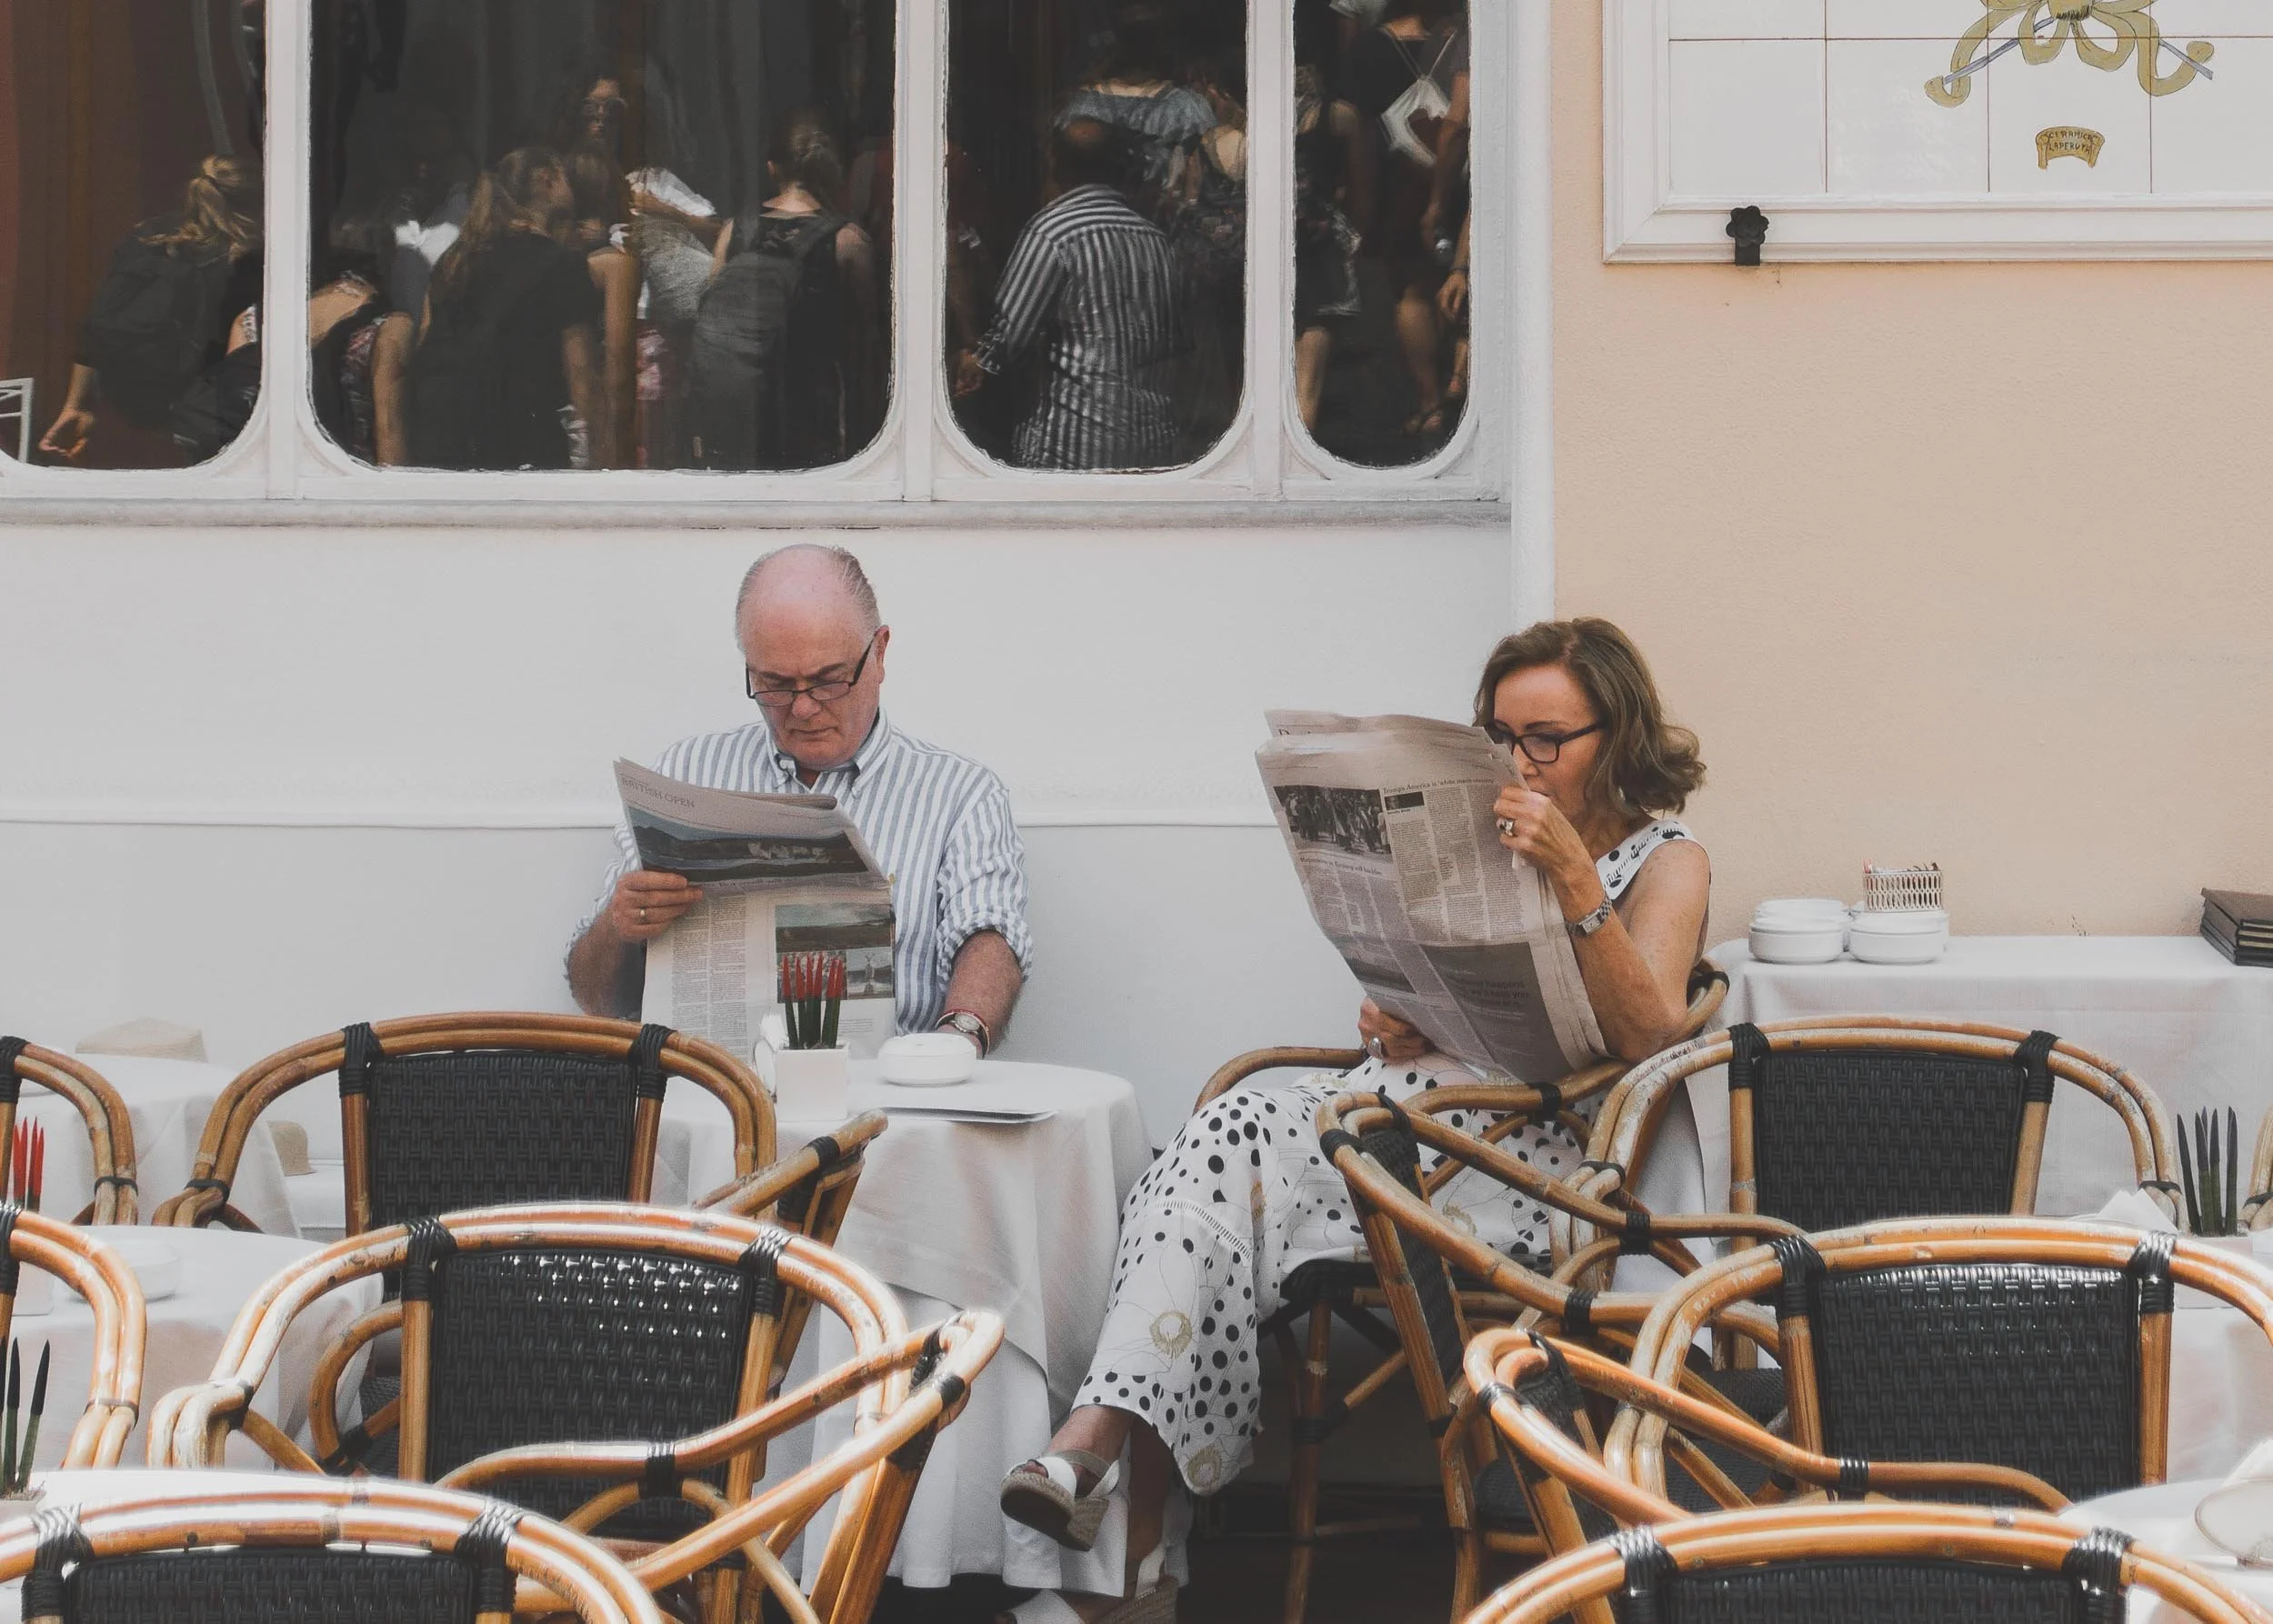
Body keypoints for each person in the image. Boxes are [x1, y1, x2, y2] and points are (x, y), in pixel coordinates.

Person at [996, 619, 1712, 1624]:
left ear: (1617, 733)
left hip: (1529, 1159)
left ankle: (1122, 1552)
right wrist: (1400, 1009)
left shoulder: (1668, 860)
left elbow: (1647, 1034)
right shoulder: (1485, 834)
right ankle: (1099, 1479)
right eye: (1498, 735)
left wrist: (1576, 881)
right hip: (1410, 1116)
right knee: (1210, 1163)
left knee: (1216, 1181)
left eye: (1546, 737)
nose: (1519, 762)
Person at [566, 545, 1030, 1056]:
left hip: (888, 1099)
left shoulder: (961, 794)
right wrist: (620, 925)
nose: (804, 707)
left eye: (829, 680)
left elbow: (987, 936)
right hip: (711, 1097)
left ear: (879, 653)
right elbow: (598, 999)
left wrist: (958, 1038)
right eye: (776, 685)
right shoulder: (686, 773)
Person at [957, 119, 1188, 472]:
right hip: (1154, 443)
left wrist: (974, 360)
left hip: (1072, 445)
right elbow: (1178, 343)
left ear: (1056, 166)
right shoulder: (1156, 240)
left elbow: (1008, 337)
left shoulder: (1054, 231)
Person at [40, 155, 264, 468]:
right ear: (258, 206)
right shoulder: (242, 264)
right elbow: (238, 360)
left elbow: (97, 324)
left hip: (122, 407)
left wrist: (75, 405)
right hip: (188, 421)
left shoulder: (148, 237)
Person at [403, 145, 612, 471]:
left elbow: (427, 339)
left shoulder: (457, 259)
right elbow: (582, 378)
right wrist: (604, 471)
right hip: (515, 439)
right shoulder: (561, 265)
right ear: (547, 179)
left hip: (439, 432)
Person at [689, 114, 879, 471]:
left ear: (772, 168)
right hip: (806, 412)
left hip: (735, 409)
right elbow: (866, 342)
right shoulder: (847, 240)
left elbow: (708, 303)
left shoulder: (735, 230)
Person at [1347, 0, 1466, 440]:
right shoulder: (1465, 40)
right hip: (1460, 178)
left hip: (1400, 183)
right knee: (1458, 283)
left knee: (1412, 291)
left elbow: (1361, 130)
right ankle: (1458, 390)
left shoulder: (1370, 48)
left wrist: (1361, 205)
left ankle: (1429, 401)